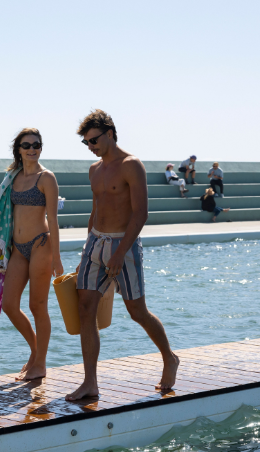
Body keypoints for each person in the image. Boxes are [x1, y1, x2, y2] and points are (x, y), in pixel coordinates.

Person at [67, 109, 179, 401]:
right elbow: (95, 211)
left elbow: (141, 214)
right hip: (95, 243)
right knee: (85, 308)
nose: (91, 146)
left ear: (110, 133)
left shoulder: (132, 165)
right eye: (86, 143)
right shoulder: (94, 170)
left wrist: (119, 252)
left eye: (93, 140)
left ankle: (169, 358)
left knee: (136, 311)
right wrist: (86, 250)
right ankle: (90, 381)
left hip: (124, 245)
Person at [1, 128, 63, 381]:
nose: (32, 148)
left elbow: (54, 220)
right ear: (18, 149)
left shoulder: (46, 178)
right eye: (26, 145)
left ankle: (40, 363)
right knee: (9, 305)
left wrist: (57, 258)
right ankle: (35, 351)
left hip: (40, 245)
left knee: (37, 306)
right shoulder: (12, 177)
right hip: (18, 248)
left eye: (36, 144)